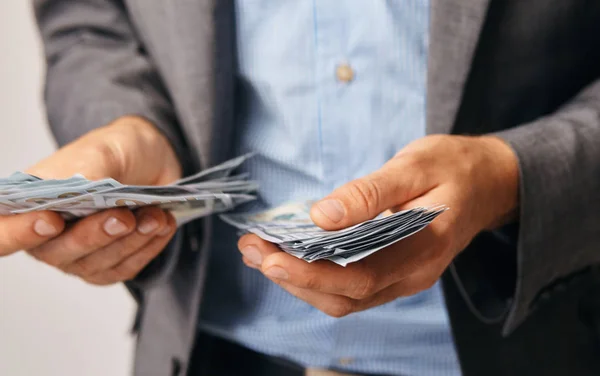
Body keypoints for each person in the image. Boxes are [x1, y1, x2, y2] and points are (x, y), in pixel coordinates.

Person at [2, 0, 598, 375]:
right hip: (208, 348)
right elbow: (88, 21)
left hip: (531, 338)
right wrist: (129, 120)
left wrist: (507, 175)